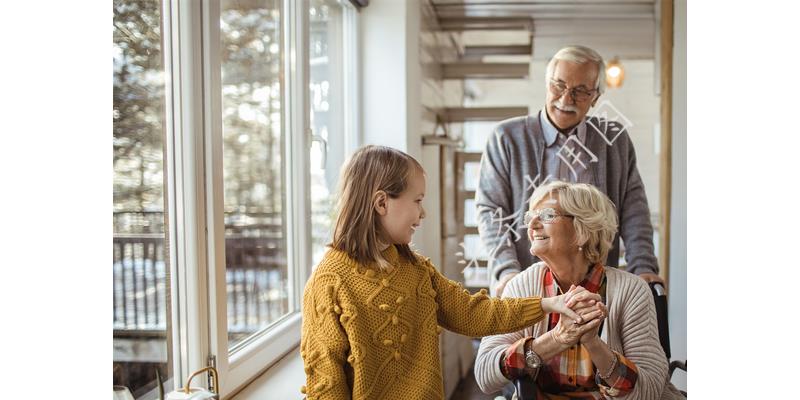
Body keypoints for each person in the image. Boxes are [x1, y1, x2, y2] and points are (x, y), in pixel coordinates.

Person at [300, 145, 600, 400]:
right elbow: (326, 385)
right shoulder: (329, 281)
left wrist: (547, 304)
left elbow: (475, 314)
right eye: (417, 200)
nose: (423, 212)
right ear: (381, 203)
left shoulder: (416, 270)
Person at [476, 45, 662, 296]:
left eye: (580, 91)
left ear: (596, 97)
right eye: (558, 85)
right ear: (547, 83)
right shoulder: (506, 138)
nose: (566, 99)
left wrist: (643, 266)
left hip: (596, 285)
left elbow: (633, 211)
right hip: (526, 284)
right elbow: (491, 212)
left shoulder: (613, 140)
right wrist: (506, 270)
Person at [474, 181, 684, 399]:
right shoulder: (521, 286)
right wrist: (556, 339)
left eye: (546, 215)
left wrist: (593, 343)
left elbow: (649, 391)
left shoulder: (632, 290)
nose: (532, 224)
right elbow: (485, 375)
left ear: (582, 230)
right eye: (531, 216)